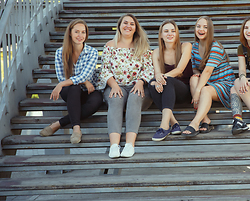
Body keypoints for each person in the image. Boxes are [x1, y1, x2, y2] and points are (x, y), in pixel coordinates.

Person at [97, 13, 153, 158]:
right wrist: (114, 85)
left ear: (135, 28)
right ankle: (114, 145)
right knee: (115, 99)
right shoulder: (110, 46)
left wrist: (141, 83)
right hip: (116, 85)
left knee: (135, 98)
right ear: (119, 26)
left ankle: (129, 145)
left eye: (132, 24)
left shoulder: (142, 46)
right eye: (125, 23)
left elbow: (149, 69)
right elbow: (104, 69)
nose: (128, 26)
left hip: (137, 86)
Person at [39, 19, 103, 144]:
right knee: (74, 88)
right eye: (77, 32)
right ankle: (76, 129)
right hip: (71, 92)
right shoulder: (60, 53)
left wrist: (62, 84)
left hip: (89, 90)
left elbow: (84, 75)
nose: (80, 36)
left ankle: (58, 124)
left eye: (83, 32)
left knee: (97, 101)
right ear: (70, 33)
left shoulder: (92, 52)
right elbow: (63, 77)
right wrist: (82, 82)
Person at [182, 16, 235, 137]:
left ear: (210, 30)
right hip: (210, 82)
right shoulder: (195, 47)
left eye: (205, 27)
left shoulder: (215, 47)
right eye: (198, 26)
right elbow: (195, 68)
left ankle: (195, 123)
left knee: (204, 89)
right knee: (193, 78)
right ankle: (205, 120)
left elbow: (207, 71)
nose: (201, 29)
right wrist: (197, 76)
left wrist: (197, 91)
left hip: (225, 83)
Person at [149, 20, 193, 141]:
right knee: (151, 84)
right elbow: (157, 73)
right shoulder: (157, 52)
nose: (170, 33)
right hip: (167, 90)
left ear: (177, 34)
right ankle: (174, 124)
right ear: (161, 35)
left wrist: (161, 78)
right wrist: (157, 80)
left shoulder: (186, 46)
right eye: (166, 31)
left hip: (184, 90)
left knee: (167, 80)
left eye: (173, 31)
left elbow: (179, 70)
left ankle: (164, 126)